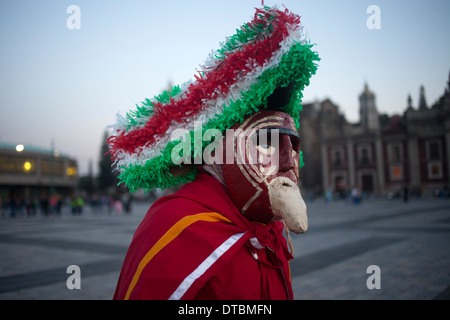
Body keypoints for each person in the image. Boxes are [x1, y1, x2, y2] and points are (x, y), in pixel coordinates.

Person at [109, 5, 319, 300]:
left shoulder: (270, 230)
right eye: (266, 142)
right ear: (221, 152)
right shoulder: (174, 225)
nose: (287, 160)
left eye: (293, 145)